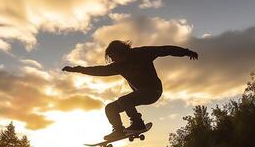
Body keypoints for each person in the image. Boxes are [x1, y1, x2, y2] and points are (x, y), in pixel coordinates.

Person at [62, 40, 198, 140]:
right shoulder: (117, 66)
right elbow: (98, 70)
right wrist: (77, 69)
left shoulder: (142, 53)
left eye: (114, 56)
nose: (113, 60)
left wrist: (186, 52)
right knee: (110, 108)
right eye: (111, 58)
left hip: (153, 91)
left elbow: (165, 49)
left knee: (124, 100)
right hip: (139, 95)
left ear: (121, 52)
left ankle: (138, 123)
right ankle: (119, 130)